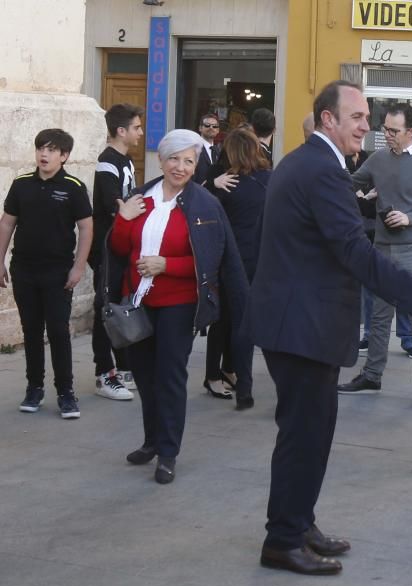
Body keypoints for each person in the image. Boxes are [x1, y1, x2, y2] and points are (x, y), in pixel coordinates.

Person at [247, 81, 412, 576]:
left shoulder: (310, 163)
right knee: (305, 434)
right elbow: (355, 252)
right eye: (357, 116)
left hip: (297, 321)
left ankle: (298, 522)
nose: (366, 126)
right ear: (327, 121)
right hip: (302, 325)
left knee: (308, 432)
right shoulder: (320, 170)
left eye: (367, 117)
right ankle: (283, 540)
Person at [109, 129, 249, 485]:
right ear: (161, 159)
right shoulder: (140, 196)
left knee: (169, 376)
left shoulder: (205, 204)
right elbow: (120, 248)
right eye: (174, 159)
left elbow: (211, 262)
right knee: (143, 374)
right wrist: (124, 219)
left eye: (189, 161)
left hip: (179, 303)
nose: (181, 167)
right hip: (138, 301)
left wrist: (166, 265)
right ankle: (152, 440)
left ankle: (168, 452)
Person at [338, 103, 412, 410]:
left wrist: (410, 218)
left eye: (392, 130)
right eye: (384, 129)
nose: (385, 135)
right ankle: (372, 375)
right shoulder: (378, 160)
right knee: (378, 316)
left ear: (411, 131)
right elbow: (349, 183)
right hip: (382, 248)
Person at [0, 129, 94, 419]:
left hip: (58, 271)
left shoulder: (74, 187)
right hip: (24, 268)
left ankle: (66, 392)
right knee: (30, 330)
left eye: (52, 150)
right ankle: (34, 388)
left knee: (57, 330)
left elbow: (87, 228)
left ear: (64, 156)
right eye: (41, 148)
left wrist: (78, 267)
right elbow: (6, 225)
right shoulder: (21, 184)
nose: (44, 154)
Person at [204, 128, 271, 409]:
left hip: (230, 261)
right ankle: (237, 379)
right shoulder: (270, 180)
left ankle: (227, 379)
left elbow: (202, 213)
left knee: (224, 321)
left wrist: (211, 184)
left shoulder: (227, 184)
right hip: (262, 260)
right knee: (249, 323)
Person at [91, 103, 144, 401]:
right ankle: (104, 374)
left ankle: (123, 368)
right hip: (107, 250)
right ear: (121, 131)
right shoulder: (107, 162)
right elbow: (117, 204)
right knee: (106, 308)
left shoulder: (125, 160)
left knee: (121, 303)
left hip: (123, 249)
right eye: (136, 128)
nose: (140, 133)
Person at [192, 114, 221, 184]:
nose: (211, 127)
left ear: (218, 130)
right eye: (207, 125)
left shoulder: (219, 151)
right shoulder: (193, 148)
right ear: (200, 128)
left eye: (215, 126)